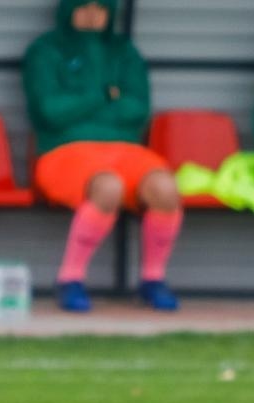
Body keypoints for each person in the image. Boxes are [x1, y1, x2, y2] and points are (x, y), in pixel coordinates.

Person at [22, 0, 182, 312]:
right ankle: (70, 278)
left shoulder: (125, 51)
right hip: (64, 149)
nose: (93, 15)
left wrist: (79, 104)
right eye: (84, 6)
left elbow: (137, 110)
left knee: (166, 187)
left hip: (125, 148)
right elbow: (50, 111)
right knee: (108, 187)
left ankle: (153, 278)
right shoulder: (45, 50)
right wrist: (103, 95)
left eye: (101, 7)